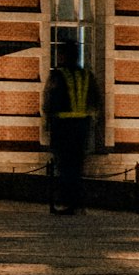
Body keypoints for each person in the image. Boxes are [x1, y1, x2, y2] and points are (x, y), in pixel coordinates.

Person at [42, 39, 101, 214]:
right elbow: (95, 101)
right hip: (82, 127)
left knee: (64, 167)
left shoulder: (57, 75)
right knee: (77, 167)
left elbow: (49, 102)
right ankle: (78, 202)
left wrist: (48, 124)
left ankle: (68, 202)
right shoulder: (87, 76)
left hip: (62, 127)